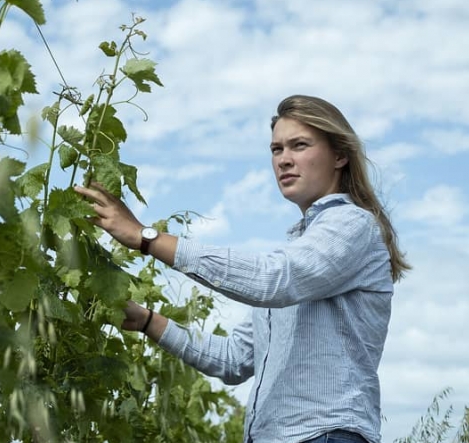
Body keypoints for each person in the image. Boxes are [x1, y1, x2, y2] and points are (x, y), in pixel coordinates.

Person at [73, 94, 410, 443]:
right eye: (276, 149)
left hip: (324, 435)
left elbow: (271, 279)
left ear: (340, 155)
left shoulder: (351, 226)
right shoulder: (303, 248)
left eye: (299, 145)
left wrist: (146, 238)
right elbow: (234, 359)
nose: (284, 160)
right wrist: (146, 321)